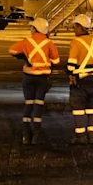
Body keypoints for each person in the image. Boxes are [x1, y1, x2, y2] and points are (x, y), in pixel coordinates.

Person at [9, 17, 60, 145]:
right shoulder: (49, 43)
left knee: (28, 103)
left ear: (35, 29)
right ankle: (36, 134)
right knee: (38, 105)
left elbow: (12, 50)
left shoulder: (27, 41)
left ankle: (26, 135)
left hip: (28, 77)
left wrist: (25, 58)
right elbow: (56, 61)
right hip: (42, 78)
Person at [66, 14, 93, 145]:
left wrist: (69, 72)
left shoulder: (75, 42)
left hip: (80, 81)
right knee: (92, 108)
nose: (74, 29)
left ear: (80, 27)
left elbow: (71, 63)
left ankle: (81, 137)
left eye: (75, 26)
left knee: (78, 108)